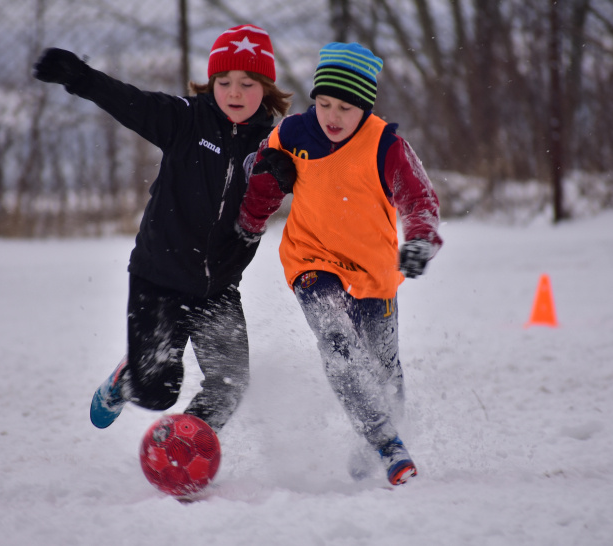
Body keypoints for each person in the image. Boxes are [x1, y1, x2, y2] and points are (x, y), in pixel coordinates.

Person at [32, 25, 292, 433]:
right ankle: (128, 376)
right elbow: (130, 102)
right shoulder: (185, 119)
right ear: (210, 84)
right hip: (159, 277)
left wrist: (288, 175)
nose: (235, 92)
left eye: (248, 83)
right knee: (157, 392)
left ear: (266, 87)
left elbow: (325, 169)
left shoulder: (276, 141)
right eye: (224, 82)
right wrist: (79, 76)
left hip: (218, 287)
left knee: (230, 385)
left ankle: (185, 444)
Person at [236, 42, 442, 486]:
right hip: (311, 258)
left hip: (373, 269)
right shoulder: (293, 133)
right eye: (324, 103)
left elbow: (419, 198)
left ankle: (385, 431)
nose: (331, 116)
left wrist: (422, 239)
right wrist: (262, 180)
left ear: (365, 108)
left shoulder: (386, 144)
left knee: (384, 369)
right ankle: (386, 442)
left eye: (345, 108)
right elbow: (258, 172)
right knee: (336, 341)